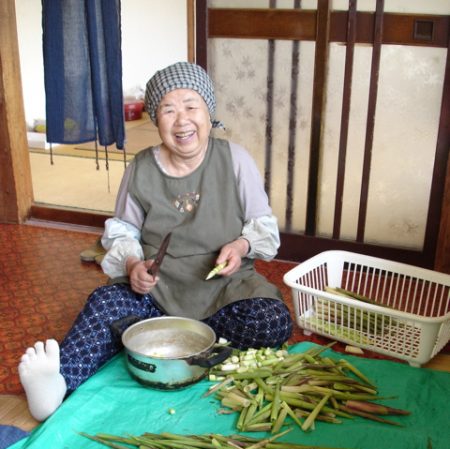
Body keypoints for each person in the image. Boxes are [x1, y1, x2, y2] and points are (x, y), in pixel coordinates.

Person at [18, 61, 293, 421]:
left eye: (191, 107)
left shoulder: (235, 160)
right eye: (168, 109)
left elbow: (263, 226)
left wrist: (240, 247)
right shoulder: (141, 167)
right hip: (156, 293)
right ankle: (58, 382)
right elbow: (121, 232)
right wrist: (133, 266)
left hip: (223, 289)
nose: (182, 121)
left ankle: (167, 343)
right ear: (154, 118)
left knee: (270, 320)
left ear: (208, 114)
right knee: (104, 304)